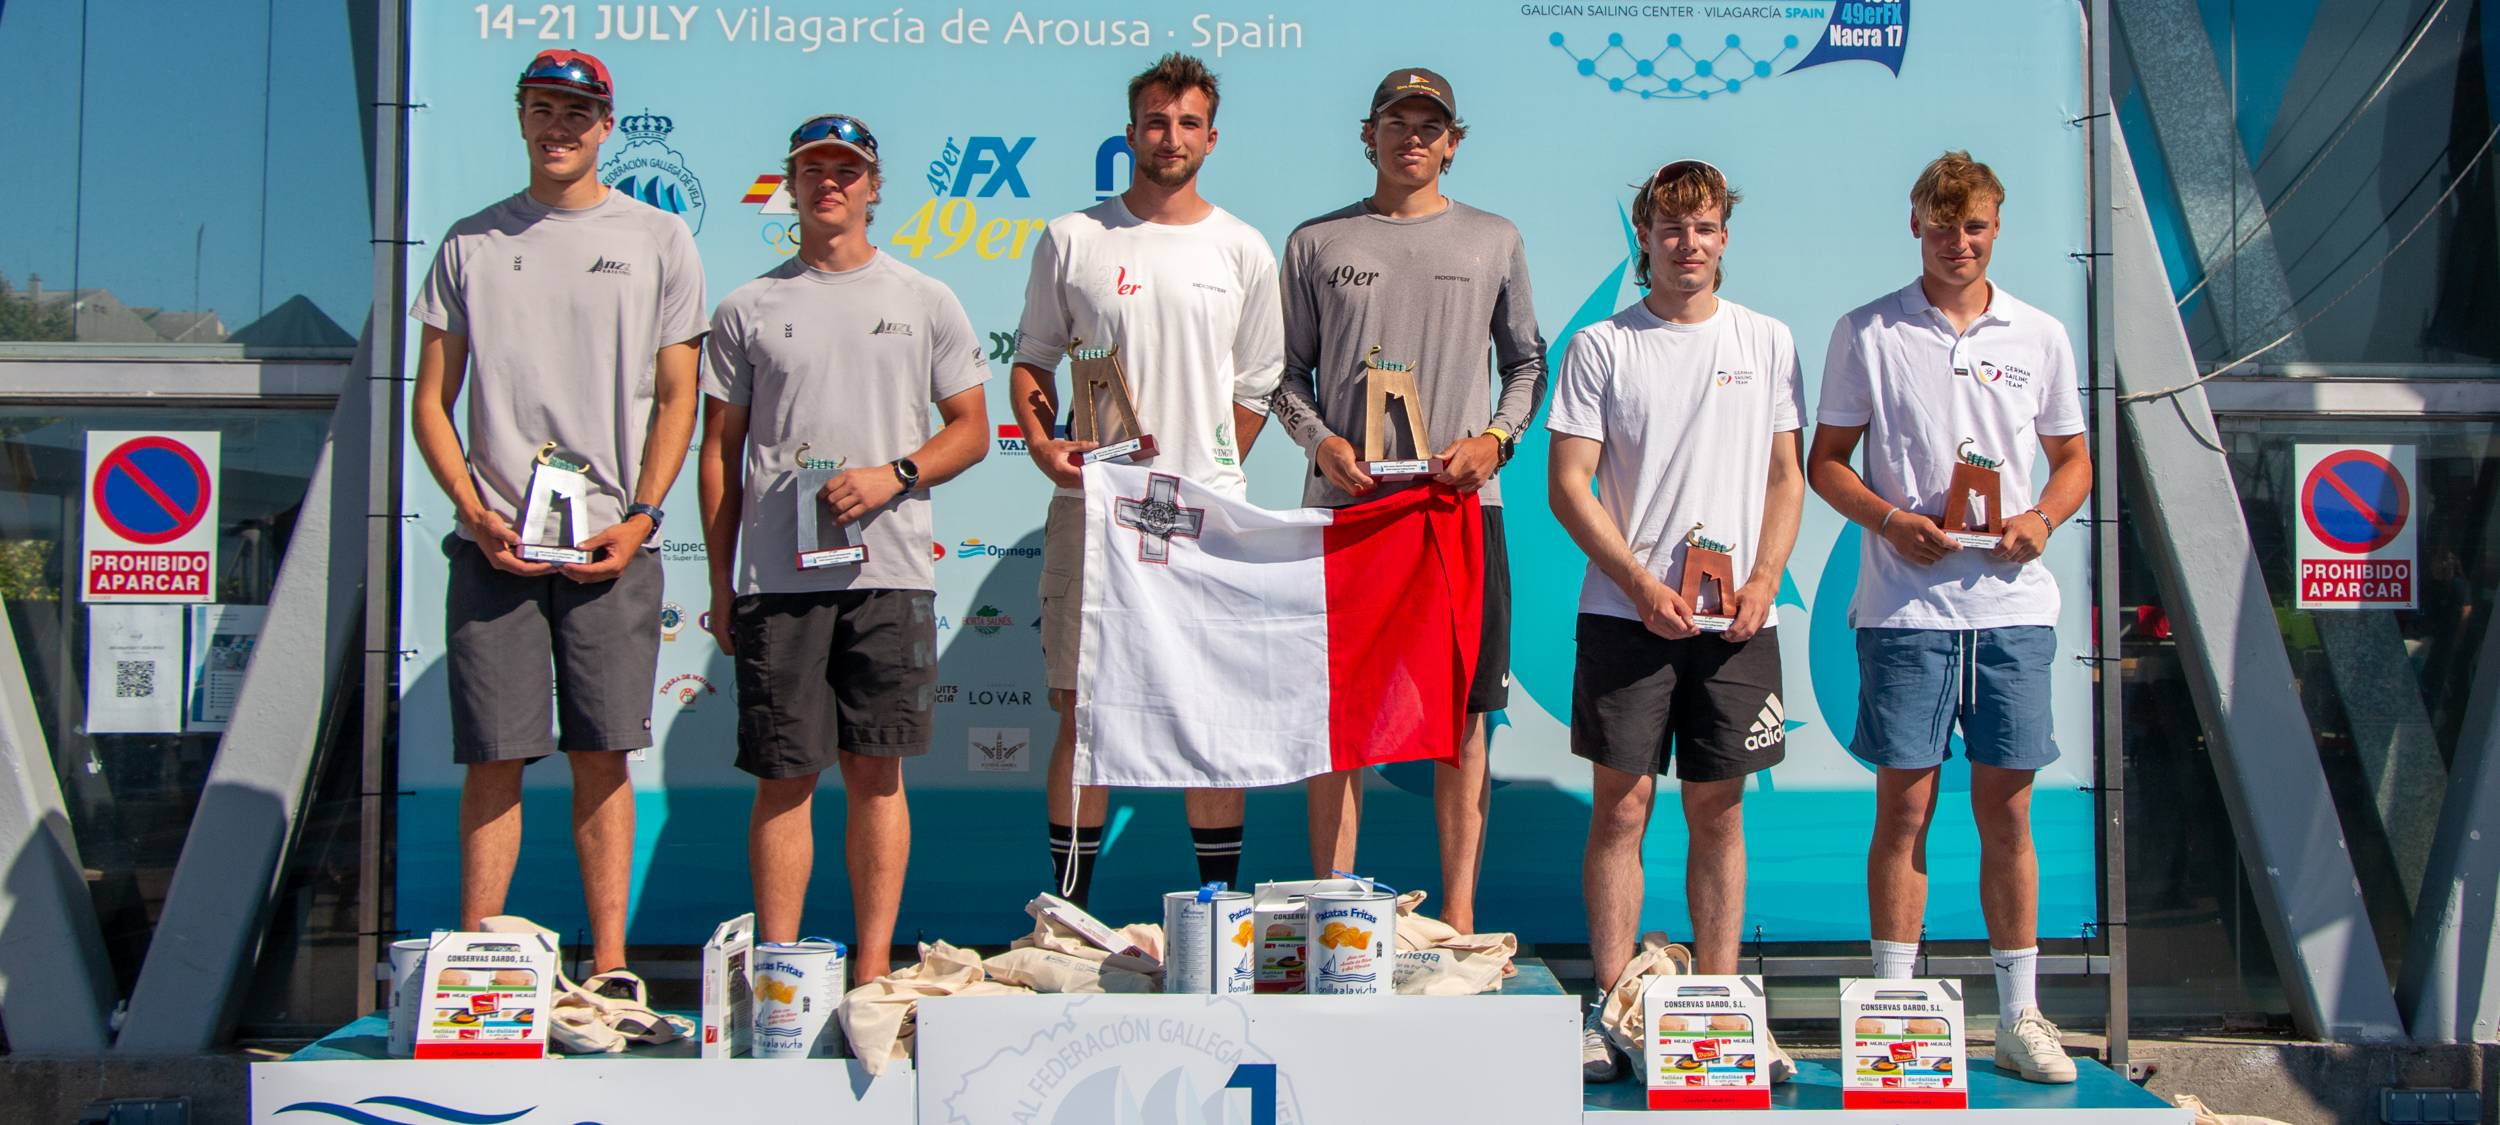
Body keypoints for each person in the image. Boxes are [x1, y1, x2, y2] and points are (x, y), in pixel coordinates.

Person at [408, 49, 705, 1006]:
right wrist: (473, 509)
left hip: (612, 544)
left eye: (578, 111)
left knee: (603, 753)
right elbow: (429, 401)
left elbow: (676, 397)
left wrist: (646, 515)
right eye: (543, 108)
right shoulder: (469, 243)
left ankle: (611, 964)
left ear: (606, 124)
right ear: (522, 117)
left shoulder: (660, 238)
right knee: (495, 755)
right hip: (495, 541)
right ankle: (473, 960)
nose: (560, 126)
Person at [1806, 149, 2093, 1085]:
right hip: (1904, 607)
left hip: (2012, 606)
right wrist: (1891, 520)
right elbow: (1827, 461)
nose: (1957, 242)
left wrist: (2040, 520)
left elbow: (2073, 460)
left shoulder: (2041, 334)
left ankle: (2020, 1015)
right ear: (1915, 224)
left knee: (2008, 811)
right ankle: (1895, 1001)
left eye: (1973, 226)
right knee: (1908, 805)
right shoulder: (1868, 330)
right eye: (1941, 225)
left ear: (1997, 227)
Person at [695, 113, 989, 982]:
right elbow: (719, 452)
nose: (831, 182)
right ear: (789, 184)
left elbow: (970, 431)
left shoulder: (924, 298)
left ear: (874, 185)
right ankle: (782, 975)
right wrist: (721, 578)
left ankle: (868, 972)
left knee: (877, 773)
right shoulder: (748, 306)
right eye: (813, 168)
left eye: (847, 169)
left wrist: (895, 473)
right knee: (784, 777)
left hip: (888, 573)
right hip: (776, 580)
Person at [1269, 67, 1544, 932]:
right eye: (1397, 121)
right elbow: (1282, 376)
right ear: (1369, 134)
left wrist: (1494, 441)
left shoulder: (1494, 238)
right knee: (1337, 716)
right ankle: (1330, 910)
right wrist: (1322, 442)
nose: (1413, 137)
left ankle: (1459, 922)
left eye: (1431, 124)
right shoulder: (1316, 241)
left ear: (1453, 142)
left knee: (1465, 718)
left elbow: (1528, 363)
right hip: (1347, 511)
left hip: (1459, 511)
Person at [1547, 160, 1803, 1084]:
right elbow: (1568, 485)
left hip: (1735, 621)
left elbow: (1786, 476)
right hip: (1626, 615)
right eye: (1668, 228)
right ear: (1644, 237)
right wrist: (1639, 581)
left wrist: (1765, 580)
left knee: (1718, 808)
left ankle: (1718, 1010)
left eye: (1702, 227)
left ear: (1724, 236)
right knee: (1622, 807)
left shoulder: (1769, 340)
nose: (1686, 244)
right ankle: (1610, 1008)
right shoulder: (1601, 347)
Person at [1011, 53, 1285, 906]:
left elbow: (1256, 388)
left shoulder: (1241, 246)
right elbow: (1031, 365)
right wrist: (1043, 445)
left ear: (1213, 136)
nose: (1172, 137)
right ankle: (1068, 911)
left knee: (1209, 715)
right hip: (1094, 509)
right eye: (1156, 122)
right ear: (1131, 133)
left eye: (1188, 123)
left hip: (1202, 518)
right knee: (1082, 710)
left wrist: (1206, 470)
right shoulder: (1074, 238)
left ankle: (1218, 911)